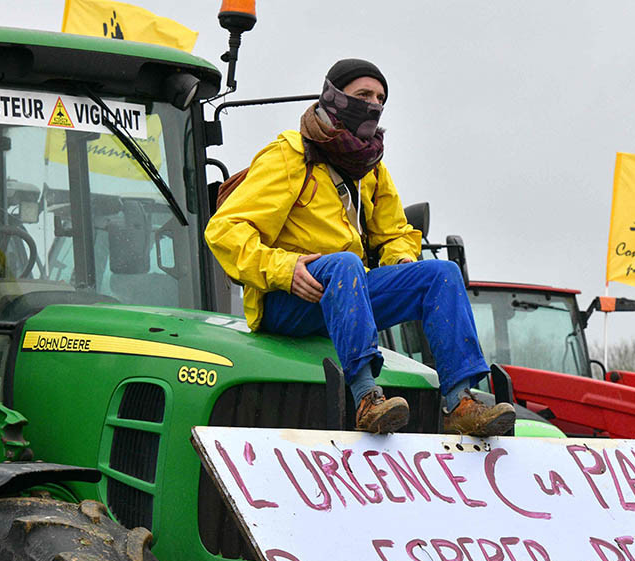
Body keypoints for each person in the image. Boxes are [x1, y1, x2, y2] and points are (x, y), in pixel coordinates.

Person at [205, 58, 514, 436]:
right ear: (334, 97)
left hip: (345, 293)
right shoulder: (289, 156)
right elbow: (225, 229)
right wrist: (285, 270)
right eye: (363, 95)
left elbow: (395, 231)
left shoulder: (371, 168)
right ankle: (367, 397)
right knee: (345, 264)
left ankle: (461, 402)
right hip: (289, 298)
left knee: (441, 274)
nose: (373, 104)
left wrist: (401, 260)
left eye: (380, 98)